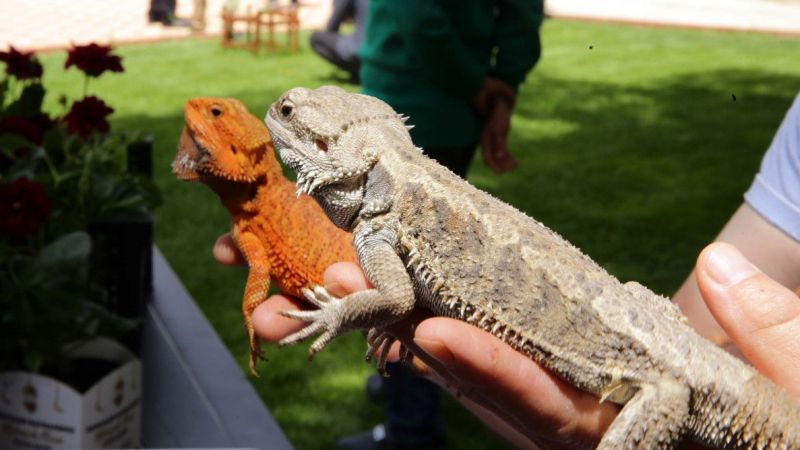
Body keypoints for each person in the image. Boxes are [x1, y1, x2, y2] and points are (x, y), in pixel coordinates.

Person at [214, 93, 800, 448]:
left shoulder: (384, 217)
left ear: (325, 145)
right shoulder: (386, 208)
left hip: (665, 383)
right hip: (655, 360)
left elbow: (393, 299)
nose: (278, 119)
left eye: (290, 114)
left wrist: (340, 311)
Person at [309, 0, 369, 83]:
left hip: (360, 53)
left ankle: (357, 72)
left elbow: (334, 23)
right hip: (386, 54)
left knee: (315, 37)